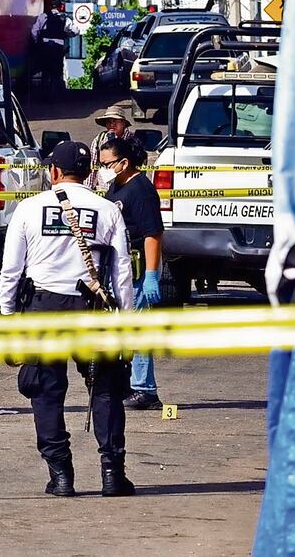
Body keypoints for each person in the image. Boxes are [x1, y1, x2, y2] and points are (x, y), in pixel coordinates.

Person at [0, 140, 136, 497]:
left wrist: (8, 316)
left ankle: (60, 475)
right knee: (105, 391)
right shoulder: (107, 210)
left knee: (45, 391)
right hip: (92, 309)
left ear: (54, 172)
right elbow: (122, 274)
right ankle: (112, 474)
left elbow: (11, 270)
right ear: (89, 173)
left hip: (43, 308)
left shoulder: (29, 209)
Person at [99, 137, 165, 410]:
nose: (103, 169)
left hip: (138, 269)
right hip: (120, 267)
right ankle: (127, 383)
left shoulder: (141, 190)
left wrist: (151, 274)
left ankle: (145, 390)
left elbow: (153, 234)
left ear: (124, 162)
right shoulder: (117, 184)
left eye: (107, 164)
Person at [30, 0, 79, 94]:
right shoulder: (65, 19)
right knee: (57, 71)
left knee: (45, 70)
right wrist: (67, 35)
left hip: (45, 47)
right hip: (58, 48)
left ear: (50, 7)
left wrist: (36, 42)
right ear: (60, 7)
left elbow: (34, 31)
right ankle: (56, 92)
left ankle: (44, 91)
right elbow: (76, 31)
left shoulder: (43, 16)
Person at [86, 107, 135, 189]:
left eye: (115, 121)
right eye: (109, 122)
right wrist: (89, 188)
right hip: (103, 189)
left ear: (123, 123)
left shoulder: (132, 141)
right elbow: (93, 165)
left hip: (127, 187)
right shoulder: (99, 140)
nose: (112, 125)